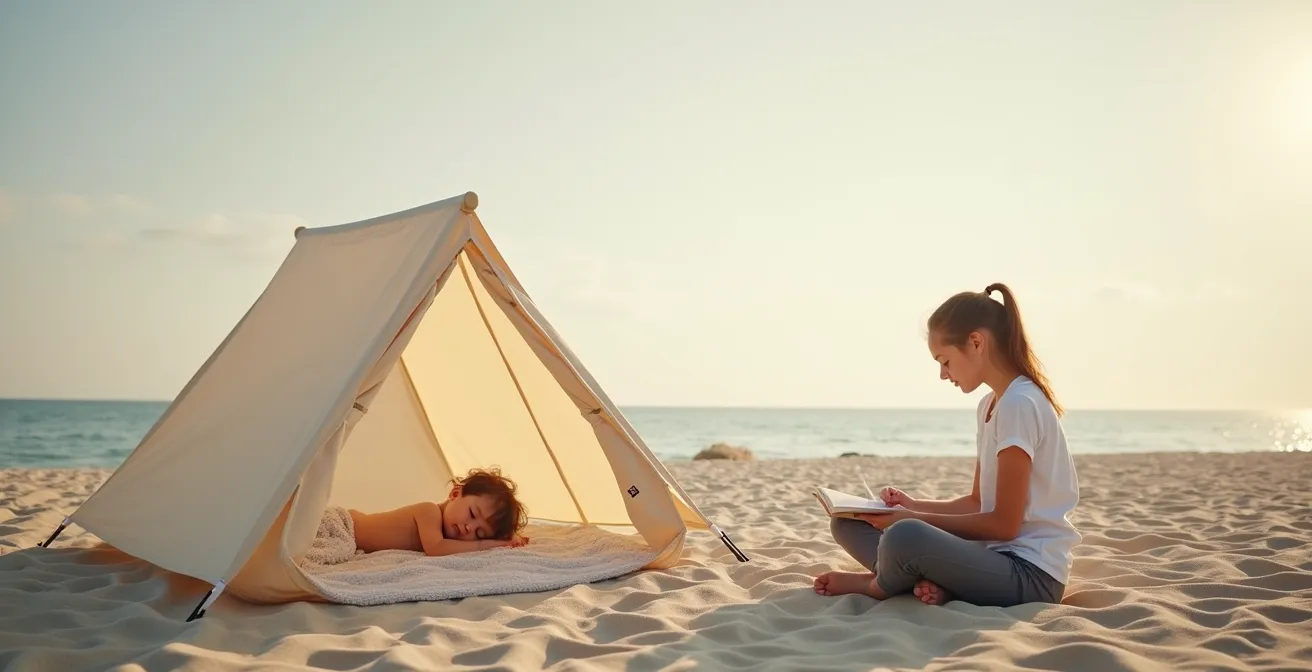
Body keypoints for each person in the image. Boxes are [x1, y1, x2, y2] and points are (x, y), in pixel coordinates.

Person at [813, 283, 1080, 607]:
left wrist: (913, 521)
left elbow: (1004, 525)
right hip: (990, 559)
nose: (942, 374)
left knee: (905, 536)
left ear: (976, 342)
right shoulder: (990, 405)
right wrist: (911, 506)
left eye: (945, 361)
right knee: (848, 523)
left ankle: (878, 584)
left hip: (1030, 576)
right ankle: (932, 582)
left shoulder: (1019, 404)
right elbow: (976, 502)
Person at [349, 467, 530, 556]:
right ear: (455, 493)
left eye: (479, 533)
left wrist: (507, 537)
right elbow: (436, 549)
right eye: (472, 514)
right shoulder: (429, 512)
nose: (469, 528)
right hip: (348, 526)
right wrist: (487, 544)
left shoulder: (448, 534)